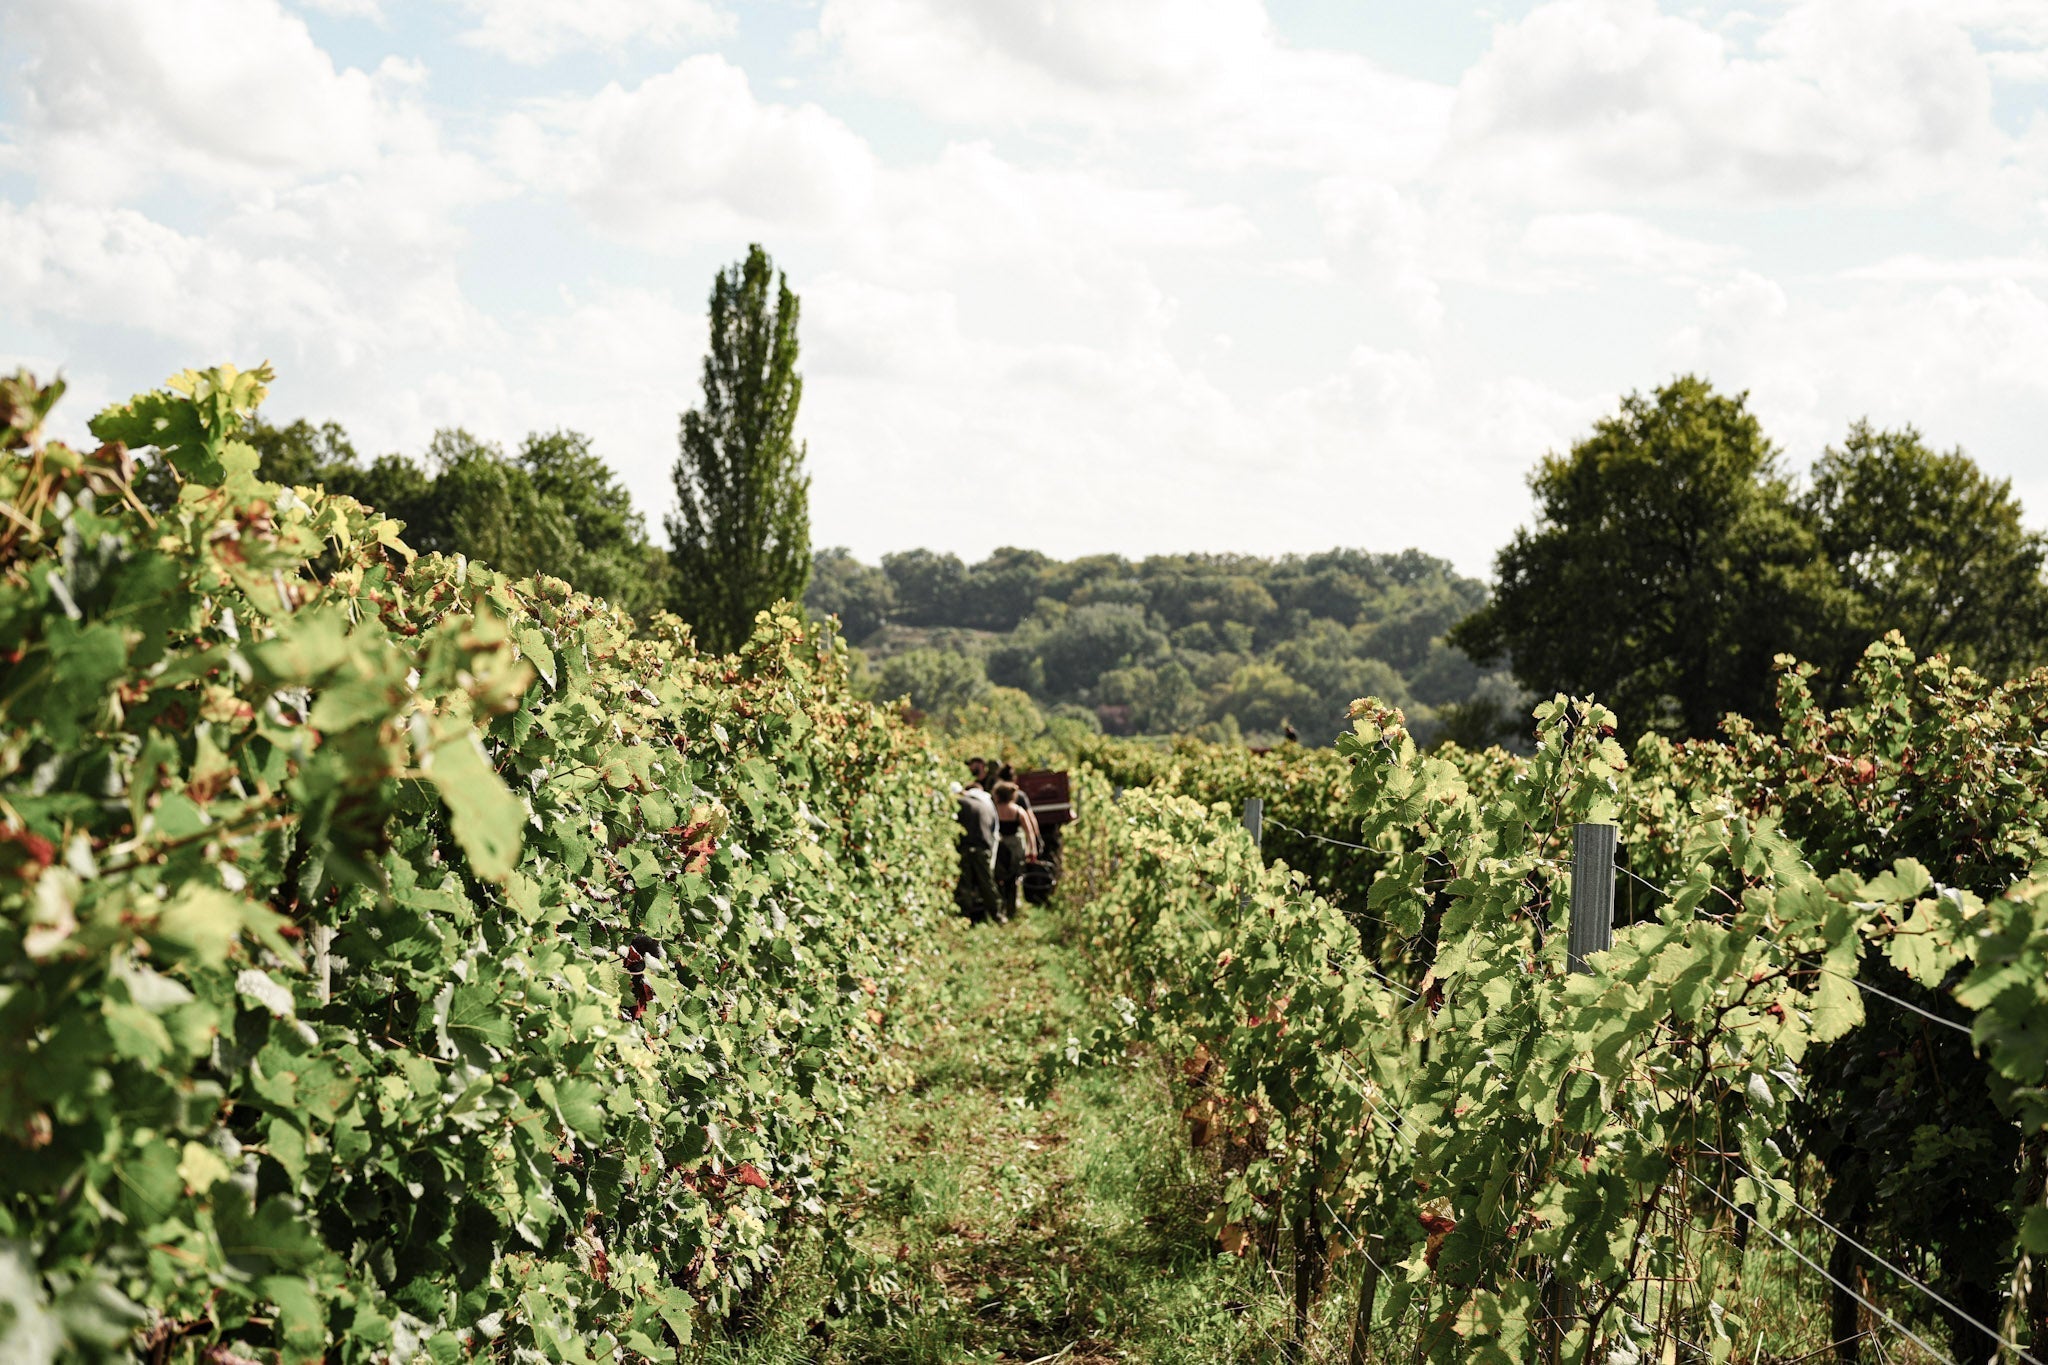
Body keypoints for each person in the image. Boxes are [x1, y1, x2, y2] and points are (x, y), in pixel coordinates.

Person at [990, 779, 1041, 920]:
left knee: (998, 877)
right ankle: (1012, 908)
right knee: (1013, 878)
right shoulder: (1018, 811)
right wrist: (1033, 850)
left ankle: (1001, 907)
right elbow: (1029, 832)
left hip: (999, 845)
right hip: (1015, 847)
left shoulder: (993, 809)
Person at [955, 777, 1001, 924]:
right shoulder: (983, 803)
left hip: (967, 847)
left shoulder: (960, 803)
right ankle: (996, 915)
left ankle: (966, 918)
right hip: (984, 846)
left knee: (965, 884)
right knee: (987, 883)